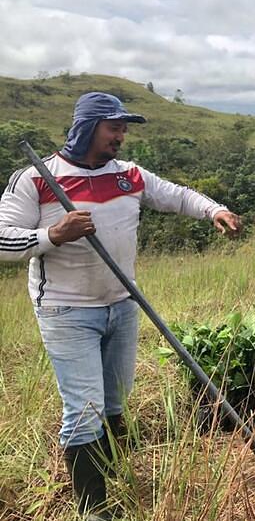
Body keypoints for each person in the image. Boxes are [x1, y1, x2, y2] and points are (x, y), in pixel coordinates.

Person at [0, 92, 242, 519]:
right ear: (89, 127)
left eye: (123, 127)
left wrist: (214, 210)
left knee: (115, 401)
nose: (122, 135)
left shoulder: (128, 175)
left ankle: (114, 477)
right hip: (66, 310)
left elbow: (178, 196)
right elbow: (2, 240)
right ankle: (95, 510)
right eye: (115, 127)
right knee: (84, 410)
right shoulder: (37, 179)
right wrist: (53, 236)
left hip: (124, 304)